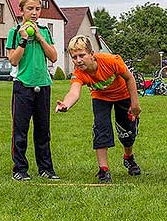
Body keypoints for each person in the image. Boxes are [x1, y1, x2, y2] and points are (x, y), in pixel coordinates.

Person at [55, 35, 141, 183]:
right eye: (74, 57)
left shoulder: (110, 61)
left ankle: (129, 157)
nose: (78, 60)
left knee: (127, 132)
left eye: (82, 55)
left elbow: (129, 78)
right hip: (100, 98)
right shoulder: (78, 73)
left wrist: (135, 104)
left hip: (123, 95)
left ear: (91, 53)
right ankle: (104, 170)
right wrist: (66, 104)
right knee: (101, 129)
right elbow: (74, 92)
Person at [6, 0, 59, 181]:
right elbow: (13, 60)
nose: (34, 12)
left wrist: (38, 36)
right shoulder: (14, 32)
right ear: (21, 11)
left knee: (43, 130)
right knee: (20, 131)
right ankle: (19, 170)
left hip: (43, 85)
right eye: (30, 9)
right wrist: (24, 39)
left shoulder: (44, 30)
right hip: (23, 86)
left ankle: (46, 169)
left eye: (37, 9)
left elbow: (53, 57)